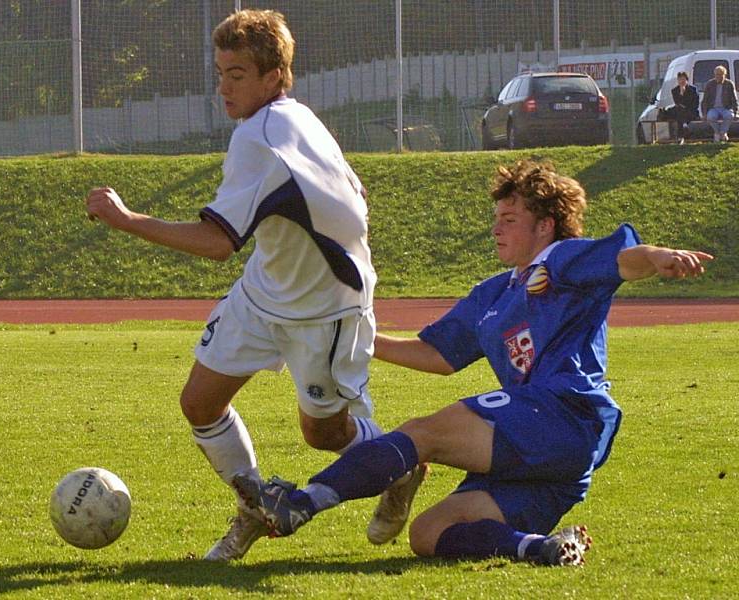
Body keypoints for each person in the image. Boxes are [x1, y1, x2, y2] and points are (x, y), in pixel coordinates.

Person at [234, 160, 713, 566]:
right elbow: (437, 355)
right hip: (550, 449)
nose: (496, 228)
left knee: (424, 433)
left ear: (544, 225)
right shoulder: (495, 293)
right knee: (429, 533)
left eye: (509, 218)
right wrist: (358, 336)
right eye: (497, 218)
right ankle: (539, 548)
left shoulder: (560, 259)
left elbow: (622, 260)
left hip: (565, 412)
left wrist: (660, 257)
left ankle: (301, 503)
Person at [85, 9, 424, 561]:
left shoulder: (261, 137)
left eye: (237, 74)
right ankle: (256, 503)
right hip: (265, 291)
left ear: (274, 77)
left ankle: (402, 463)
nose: (223, 87)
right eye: (220, 72)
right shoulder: (296, 117)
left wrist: (127, 220)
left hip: (326, 311)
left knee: (325, 435)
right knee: (199, 402)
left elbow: (217, 243)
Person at [701, 65, 737, 143]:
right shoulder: (709, 84)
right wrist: (704, 113)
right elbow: (705, 100)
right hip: (713, 108)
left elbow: (734, 99)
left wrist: (736, 111)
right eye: (716, 74)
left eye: (720, 74)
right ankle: (717, 133)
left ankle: (722, 133)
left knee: (729, 116)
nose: (718, 76)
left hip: (726, 107)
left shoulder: (729, 84)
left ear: (724, 75)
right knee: (710, 117)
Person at [668, 71, 699, 144]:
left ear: (687, 80)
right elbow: (678, 103)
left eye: (683, 79)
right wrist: (681, 94)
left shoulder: (693, 90)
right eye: (680, 79)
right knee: (679, 110)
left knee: (680, 114)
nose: (681, 81)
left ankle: (680, 137)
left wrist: (684, 95)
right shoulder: (674, 91)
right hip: (680, 112)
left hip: (691, 111)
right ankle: (684, 126)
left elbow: (694, 104)